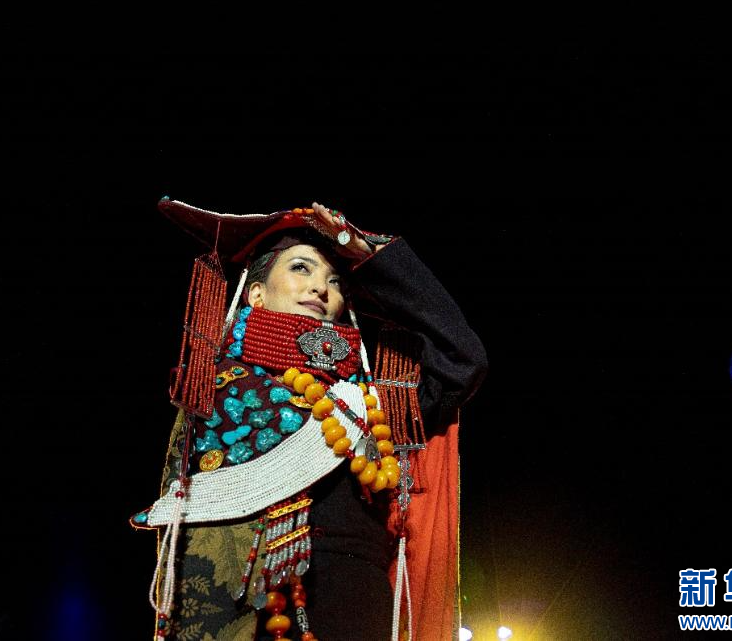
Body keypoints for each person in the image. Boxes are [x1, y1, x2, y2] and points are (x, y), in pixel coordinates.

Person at [131, 200, 487, 641]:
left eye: (335, 282)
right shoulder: (215, 391)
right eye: (301, 268)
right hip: (245, 605)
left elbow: (463, 358)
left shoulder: (371, 402)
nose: (321, 288)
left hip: (355, 606)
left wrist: (370, 257)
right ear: (256, 294)